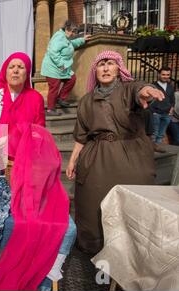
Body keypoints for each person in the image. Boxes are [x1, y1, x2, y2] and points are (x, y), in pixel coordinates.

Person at [0, 52, 75, 291]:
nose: (15, 71)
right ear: (5, 71)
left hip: (27, 169)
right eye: (12, 67)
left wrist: (25, 148)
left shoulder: (36, 98)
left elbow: (40, 133)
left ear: (27, 74)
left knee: (41, 219)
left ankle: (37, 266)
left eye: (21, 67)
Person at [66, 51, 165, 255]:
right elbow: (81, 135)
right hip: (97, 158)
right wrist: (72, 160)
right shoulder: (86, 100)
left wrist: (147, 90)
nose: (105, 68)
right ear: (96, 70)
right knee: (92, 204)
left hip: (131, 156)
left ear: (119, 69)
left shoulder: (128, 89)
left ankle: (133, 249)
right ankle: (96, 247)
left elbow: (139, 90)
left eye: (110, 63)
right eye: (101, 64)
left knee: (133, 205)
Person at [41, 20, 91, 116]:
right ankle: (50, 109)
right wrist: (61, 64)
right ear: (66, 29)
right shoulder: (59, 37)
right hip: (52, 67)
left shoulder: (65, 38)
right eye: (71, 31)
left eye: (74, 32)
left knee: (71, 79)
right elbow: (53, 52)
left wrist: (82, 40)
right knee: (54, 88)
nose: (73, 34)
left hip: (61, 68)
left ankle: (61, 98)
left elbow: (71, 44)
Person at [150, 66, 175, 150]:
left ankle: (158, 148)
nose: (166, 76)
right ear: (159, 74)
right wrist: (153, 111)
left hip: (167, 114)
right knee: (154, 133)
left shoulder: (170, 86)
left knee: (161, 134)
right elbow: (148, 100)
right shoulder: (152, 86)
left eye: (168, 75)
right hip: (155, 113)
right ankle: (151, 150)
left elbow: (172, 100)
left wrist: (171, 110)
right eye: (163, 74)